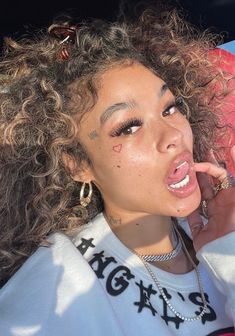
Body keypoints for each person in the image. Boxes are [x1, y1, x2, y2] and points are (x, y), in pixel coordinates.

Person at [0, 7, 234, 336]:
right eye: (128, 127)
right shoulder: (59, 287)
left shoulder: (223, 225)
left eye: (170, 107)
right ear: (78, 163)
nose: (173, 136)